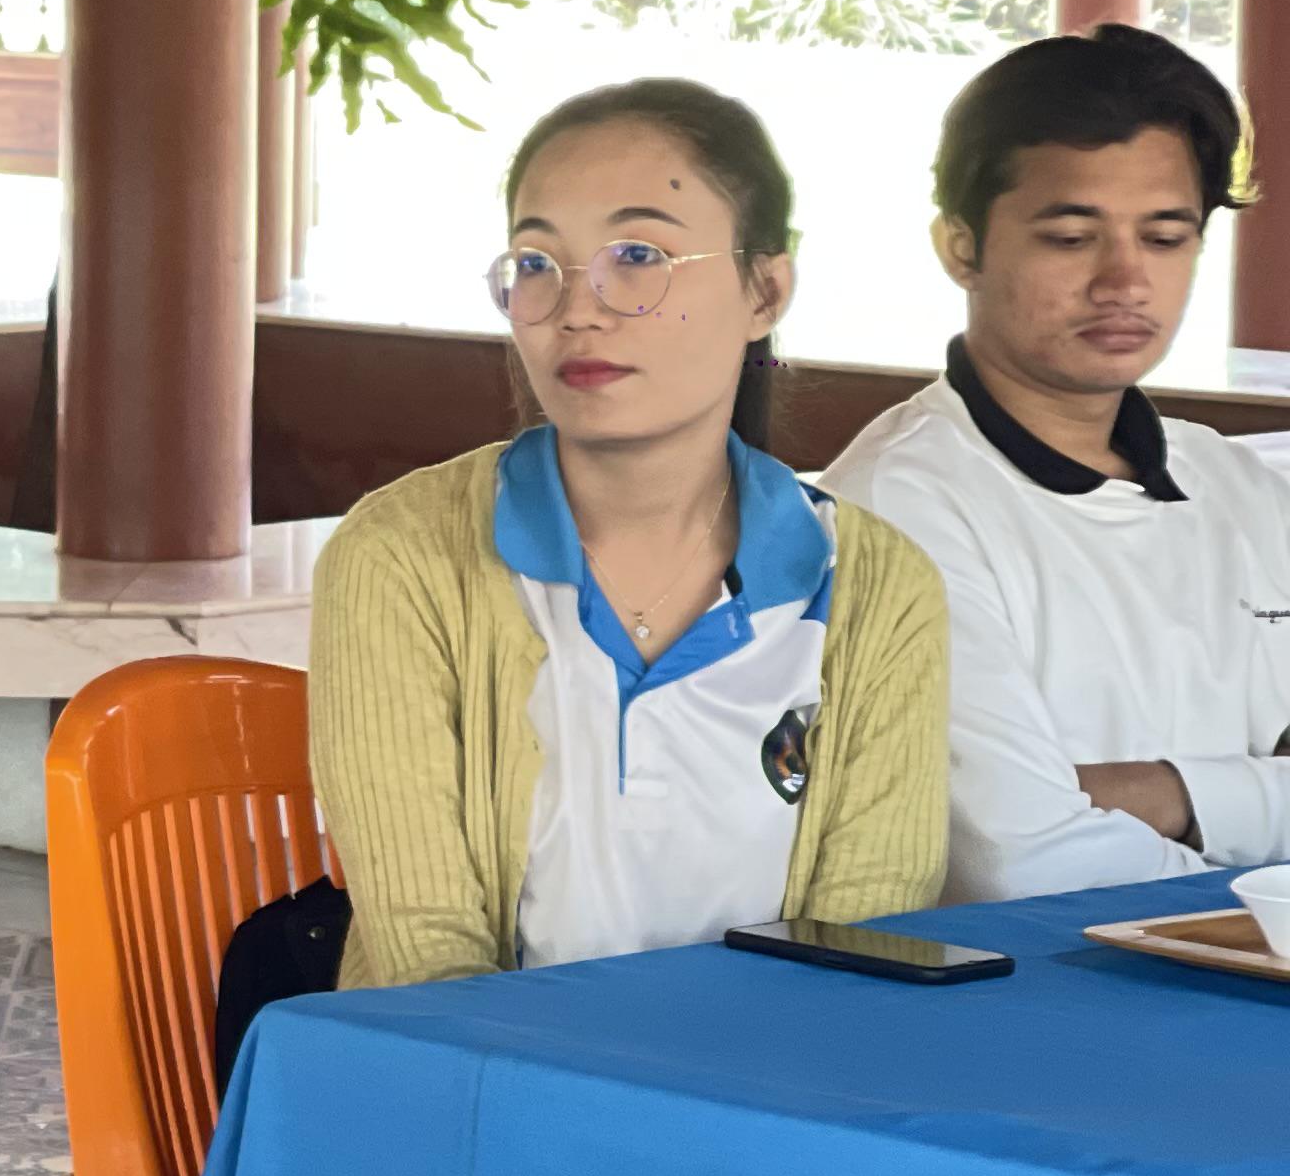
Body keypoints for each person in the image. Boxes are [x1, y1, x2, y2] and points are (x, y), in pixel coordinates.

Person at [309, 78, 947, 988]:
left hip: (767, 1104)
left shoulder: (876, 590)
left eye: (638, 254)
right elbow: (428, 958)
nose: (577, 307)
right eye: (536, 264)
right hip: (473, 1092)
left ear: (765, 289)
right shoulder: (403, 558)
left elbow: (856, 953)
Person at [819, 24, 1290, 900]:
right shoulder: (895, 507)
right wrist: (1265, 849)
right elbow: (1021, 859)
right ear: (961, 247)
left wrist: (1167, 792)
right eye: (1072, 238)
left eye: (1164, 237)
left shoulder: (1240, 486)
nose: (1123, 281)